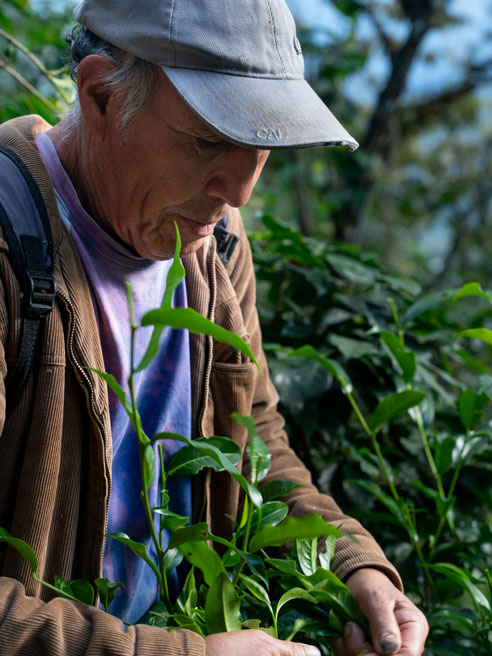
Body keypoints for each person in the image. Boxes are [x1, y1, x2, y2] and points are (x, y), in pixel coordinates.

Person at [0, 0, 428, 654]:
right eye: (207, 139)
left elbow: (252, 437)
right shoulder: (10, 246)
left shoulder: (217, 243)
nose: (240, 189)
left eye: (261, 143)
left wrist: (350, 563)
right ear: (100, 96)